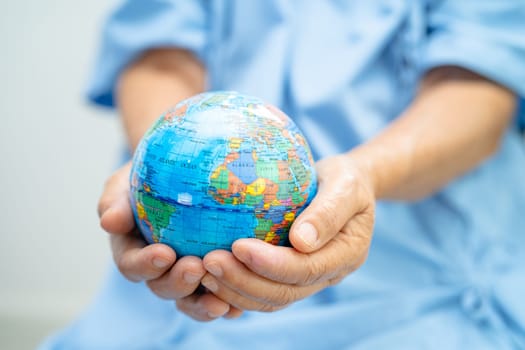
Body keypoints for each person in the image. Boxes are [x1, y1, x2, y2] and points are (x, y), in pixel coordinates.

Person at [41, 1, 525, 349]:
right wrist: (157, 165)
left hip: (416, 280)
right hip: (169, 278)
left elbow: (477, 86)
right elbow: (160, 53)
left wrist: (364, 176)